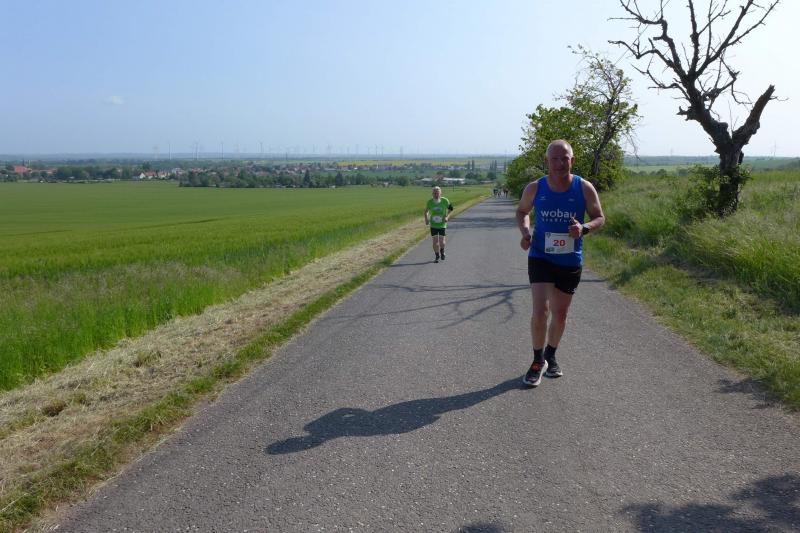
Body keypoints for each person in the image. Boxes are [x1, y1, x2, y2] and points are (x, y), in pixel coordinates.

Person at [515, 140, 605, 387]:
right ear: (547, 161)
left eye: (564, 158)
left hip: (569, 259)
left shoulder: (584, 188)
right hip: (541, 256)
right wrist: (525, 233)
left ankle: (550, 355)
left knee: (561, 314)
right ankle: (537, 361)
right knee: (540, 311)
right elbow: (522, 211)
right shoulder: (535, 188)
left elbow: (599, 217)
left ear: (572, 161)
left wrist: (584, 228)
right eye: (554, 159)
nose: (559, 163)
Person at [424, 185, 454, 263]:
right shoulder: (430, 202)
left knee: (442, 241)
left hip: (442, 224)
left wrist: (447, 217)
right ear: (432, 194)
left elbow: (451, 209)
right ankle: (437, 255)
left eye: (437, 193)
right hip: (433, 224)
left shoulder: (445, 200)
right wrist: (426, 219)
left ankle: (442, 251)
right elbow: (426, 211)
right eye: (434, 193)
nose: (436, 195)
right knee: (435, 241)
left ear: (440, 193)